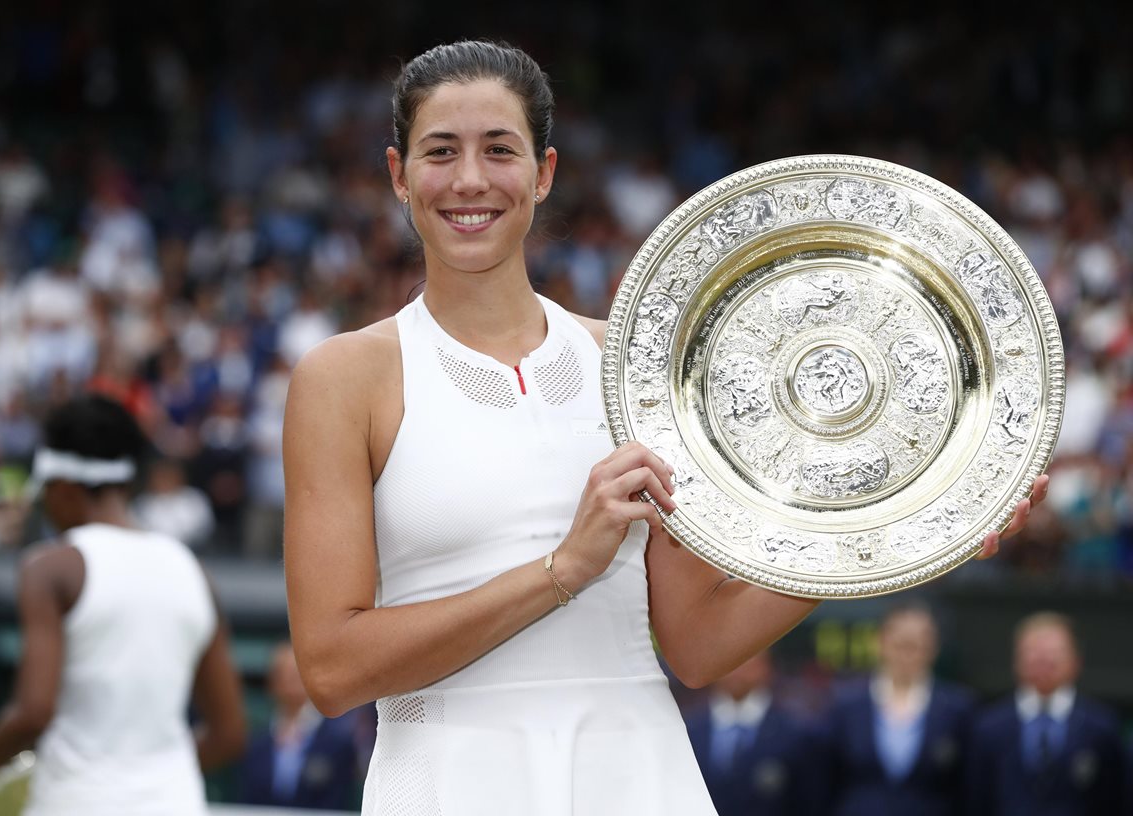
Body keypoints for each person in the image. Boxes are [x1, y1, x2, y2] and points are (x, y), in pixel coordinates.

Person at [282, 39, 1048, 816]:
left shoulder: (632, 363)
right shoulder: (343, 380)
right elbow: (334, 669)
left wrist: (889, 536)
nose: (470, 180)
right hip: (447, 784)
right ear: (397, 176)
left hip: (641, 777)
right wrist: (562, 570)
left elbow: (696, 645)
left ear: (543, 174)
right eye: (440, 152)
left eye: (500, 150)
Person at [0, 394, 247, 816]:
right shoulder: (195, 573)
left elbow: (33, 711)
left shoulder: (50, 568)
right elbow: (229, 734)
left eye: (45, 492)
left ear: (62, 489)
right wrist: (151, 777)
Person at [966, 612, 1125, 816]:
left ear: (1076, 661)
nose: (1043, 659)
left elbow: (1116, 801)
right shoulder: (988, 727)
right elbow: (974, 801)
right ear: (1016, 660)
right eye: (1033, 651)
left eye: (1054, 651)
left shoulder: (1102, 727)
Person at [823, 603, 975, 816]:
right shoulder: (845, 705)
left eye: (917, 645)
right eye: (901, 644)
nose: (908, 655)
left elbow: (969, 788)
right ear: (881, 643)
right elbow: (824, 784)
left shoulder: (957, 708)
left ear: (934, 648)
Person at [685, 650, 825, 816]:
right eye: (728, 661)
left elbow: (812, 802)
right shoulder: (688, 731)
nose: (736, 670)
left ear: (767, 668)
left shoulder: (796, 733)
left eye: (746, 661)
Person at [239, 641, 364, 809]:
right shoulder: (256, 744)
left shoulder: (338, 742)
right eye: (283, 674)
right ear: (272, 682)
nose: (291, 682)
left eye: (296, 673)